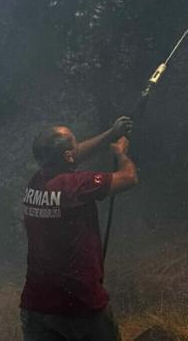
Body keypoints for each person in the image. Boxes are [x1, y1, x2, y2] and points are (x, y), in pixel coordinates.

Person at [19, 116, 138, 341]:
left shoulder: (36, 182)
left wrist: (110, 133)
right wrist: (119, 152)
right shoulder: (77, 186)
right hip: (79, 306)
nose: (78, 146)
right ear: (66, 156)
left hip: (36, 306)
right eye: (74, 143)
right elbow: (129, 178)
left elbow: (74, 155)